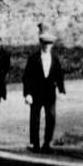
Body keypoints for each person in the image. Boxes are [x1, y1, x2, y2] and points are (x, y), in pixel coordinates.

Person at [23, 25, 65, 153]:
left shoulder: (55, 59)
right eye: (45, 43)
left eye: (50, 43)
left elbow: (59, 76)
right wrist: (27, 94)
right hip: (36, 93)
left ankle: (47, 143)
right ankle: (35, 144)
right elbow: (27, 77)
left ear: (52, 45)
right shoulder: (33, 59)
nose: (47, 46)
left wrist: (62, 90)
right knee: (35, 118)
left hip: (50, 94)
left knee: (51, 117)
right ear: (40, 43)